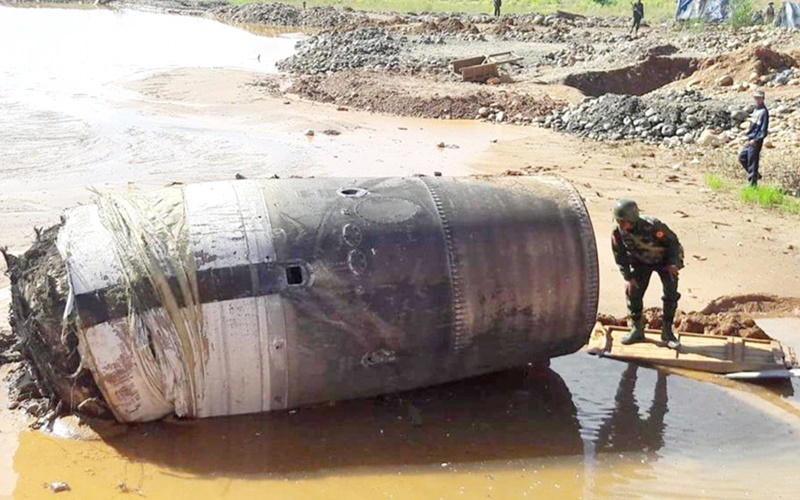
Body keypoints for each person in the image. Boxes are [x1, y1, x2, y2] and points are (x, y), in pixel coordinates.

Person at [611, 199, 684, 349]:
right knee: (633, 293)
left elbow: (672, 243)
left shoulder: (653, 226)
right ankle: (637, 329)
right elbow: (620, 255)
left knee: (670, 294)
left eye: (623, 221)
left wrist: (673, 263)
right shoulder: (618, 232)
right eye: (618, 220)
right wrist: (628, 277)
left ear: (632, 219)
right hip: (641, 261)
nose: (620, 224)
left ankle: (667, 332)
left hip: (664, 261)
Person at [738, 90, 769, 187]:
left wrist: (756, 140)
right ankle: (755, 175)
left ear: (763, 99)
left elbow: (763, 130)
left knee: (753, 162)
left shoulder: (764, 112)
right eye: (756, 98)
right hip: (750, 139)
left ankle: (752, 184)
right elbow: (752, 125)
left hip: (755, 141)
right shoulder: (756, 110)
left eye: (759, 98)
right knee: (742, 158)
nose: (757, 100)